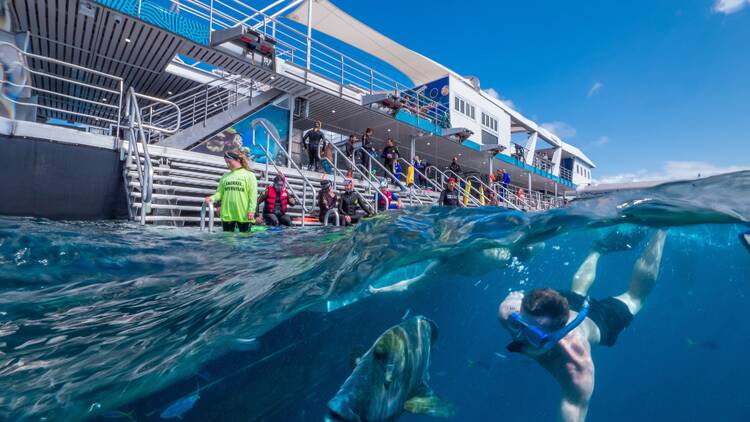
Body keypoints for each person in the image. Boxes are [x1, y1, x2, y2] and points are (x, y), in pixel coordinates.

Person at [498, 229, 667, 422]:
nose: (520, 337)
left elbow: (574, 409)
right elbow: (510, 308)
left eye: (534, 336)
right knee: (575, 293)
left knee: (636, 297)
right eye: (519, 323)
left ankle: (662, 229)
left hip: (599, 321)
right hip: (567, 304)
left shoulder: (577, 366)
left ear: (558, 335)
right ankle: (598, 250)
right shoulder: (509, 313)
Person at [204, 150, 258, 233]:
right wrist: (212, 198)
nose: (228, 165)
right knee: (228, 240)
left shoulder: (249, 175)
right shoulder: (225, 176)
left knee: (245, 241)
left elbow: (253, 195)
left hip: (244, 214)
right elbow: (220, 193)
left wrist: (251, 210)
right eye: (226, 162)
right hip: (227, 214)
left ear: (238, 160)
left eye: (229, 162)